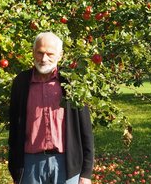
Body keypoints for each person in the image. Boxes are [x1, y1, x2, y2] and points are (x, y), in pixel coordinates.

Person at [8, 32, 94, 184]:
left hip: (66, 164)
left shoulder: (72, 83)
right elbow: (14, 127)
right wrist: (15, 168)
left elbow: (85, 129)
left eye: (50, 54)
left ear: (60, 55)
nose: (44, 59)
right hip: (29, 164)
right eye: (40, 53)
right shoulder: (21, 82)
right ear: (33, 52)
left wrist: (86, 173)